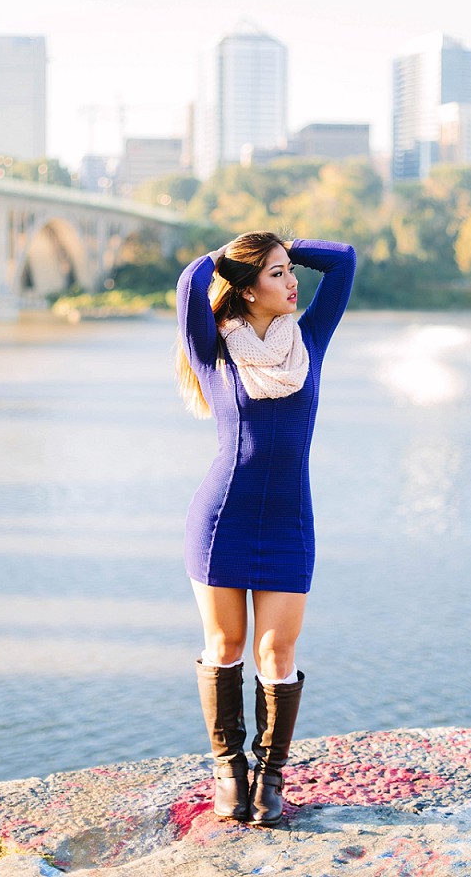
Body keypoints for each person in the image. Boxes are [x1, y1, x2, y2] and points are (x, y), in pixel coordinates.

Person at [175, 232, 356, 826]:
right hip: (221, 520)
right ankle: (229, 770)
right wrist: (231, 254)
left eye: (289, 271)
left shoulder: (310, 341)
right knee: (225, 647)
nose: (292, 281)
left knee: (276, 651)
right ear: (249, 288)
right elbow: (189, 284)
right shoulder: (214, 349)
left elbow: (344, 260)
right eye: (277, 274)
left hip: (287, 524)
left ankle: (270, 774)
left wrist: (285, 244)